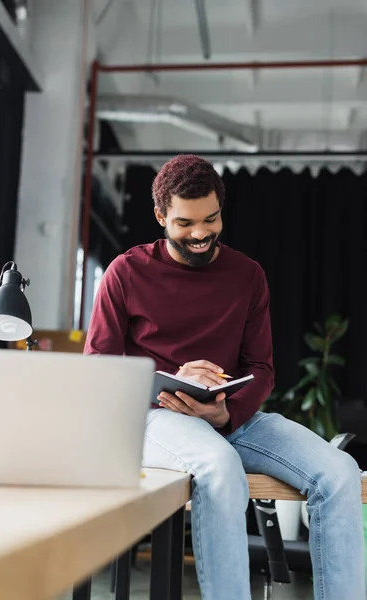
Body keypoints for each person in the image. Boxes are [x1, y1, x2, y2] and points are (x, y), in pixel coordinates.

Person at [84, 154, 365, 600]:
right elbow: (101, 373)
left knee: (341, 473)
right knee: (219, 467)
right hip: (157, 418)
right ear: (161, 216)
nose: (200, 233)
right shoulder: (125, 272)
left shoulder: (247, 275)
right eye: (184, 223)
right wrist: (172, 377)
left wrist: (224, 413)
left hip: (232, 419)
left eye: (210, 219)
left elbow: (262, 370)